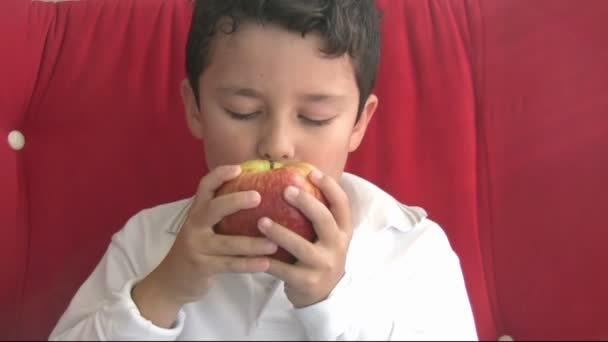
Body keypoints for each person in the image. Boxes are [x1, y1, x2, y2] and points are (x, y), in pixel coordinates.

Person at [49, 0, 478, 340]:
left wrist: (332, 301)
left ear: (359, 123)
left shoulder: (410, 249)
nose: (277, 145)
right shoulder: (148, 240)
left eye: (314, 117)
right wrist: (163, 292)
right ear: (195, 108)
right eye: (243, 110)